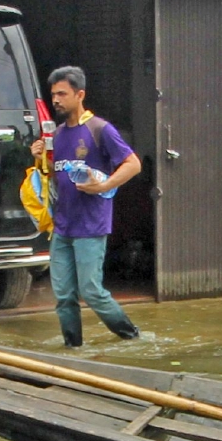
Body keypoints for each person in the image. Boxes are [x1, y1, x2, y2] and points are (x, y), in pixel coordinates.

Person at [30, 66, 143, 348]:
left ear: (80, 94)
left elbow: (133, 164)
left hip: (90, 226)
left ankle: (133, 337)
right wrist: (38, 158)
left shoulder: (99, 130)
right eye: (53, 94)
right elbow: (50, 179)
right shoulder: (54, 135)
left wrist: (105, 186)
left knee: (91, 291)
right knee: (64, 296)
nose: (56, 99)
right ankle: (73, 349)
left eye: (62, 94)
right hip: (62, 227)